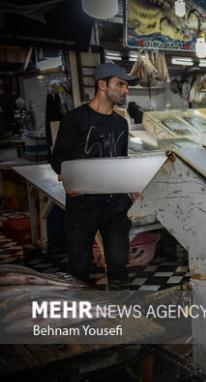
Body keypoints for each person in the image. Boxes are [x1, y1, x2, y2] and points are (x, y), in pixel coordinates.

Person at [51, 63, 139, 290]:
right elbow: (58, 157)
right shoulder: (74, 119)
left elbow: (121, 160)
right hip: (83, 203)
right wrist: (67, 177)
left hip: (116, 204)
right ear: (102, 85)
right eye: (120, 84)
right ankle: (83, 314)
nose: (125, 90)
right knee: (80, 265)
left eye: (126, 86)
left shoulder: (121, 123)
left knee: (119, 263)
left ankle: (123, 314)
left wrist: (133, 186)